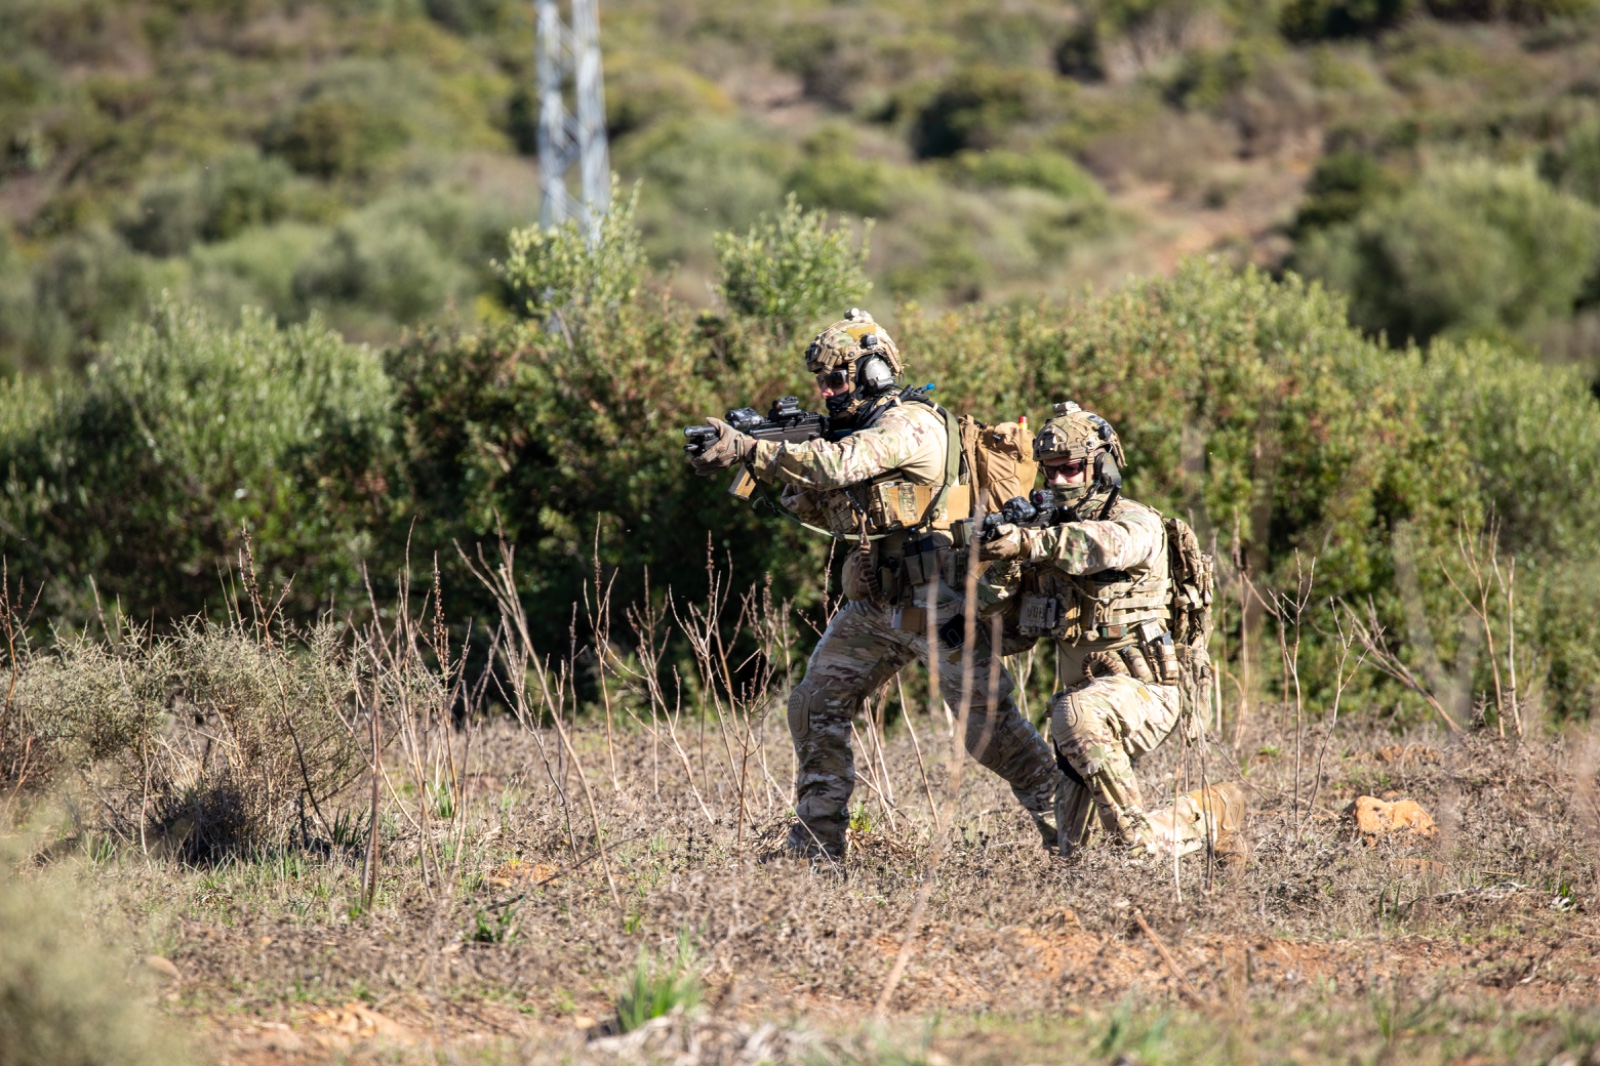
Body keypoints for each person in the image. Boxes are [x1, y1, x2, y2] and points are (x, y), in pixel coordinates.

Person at [687, 309, 1058, 860]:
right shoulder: (853, 428)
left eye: (837, 379)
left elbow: (838, 465)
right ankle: (816, 849)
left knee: (989, 732)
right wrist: (768, 467)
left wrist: (750, 449)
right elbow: (822, 495)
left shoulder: (909, 424)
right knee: (814, 704)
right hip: (878, 602)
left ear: (876, 372)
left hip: (942, 601)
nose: (827, 391)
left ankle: (1073, 825)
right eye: (821, 382)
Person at [979, 401, 1245, 860]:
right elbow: (1008, 634)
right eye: (1050, 472)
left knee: (1075, 715)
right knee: (1072, 857)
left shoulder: (1135, 522)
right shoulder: (1044, 535)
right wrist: (1001, 570)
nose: (1059, 481)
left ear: (1099, 466)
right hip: (1084, 708)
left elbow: (1099, 548)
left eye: (1071, 469)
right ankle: (1207, 817)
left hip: (1146, 692)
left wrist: (1029, 543)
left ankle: (1144, 847)